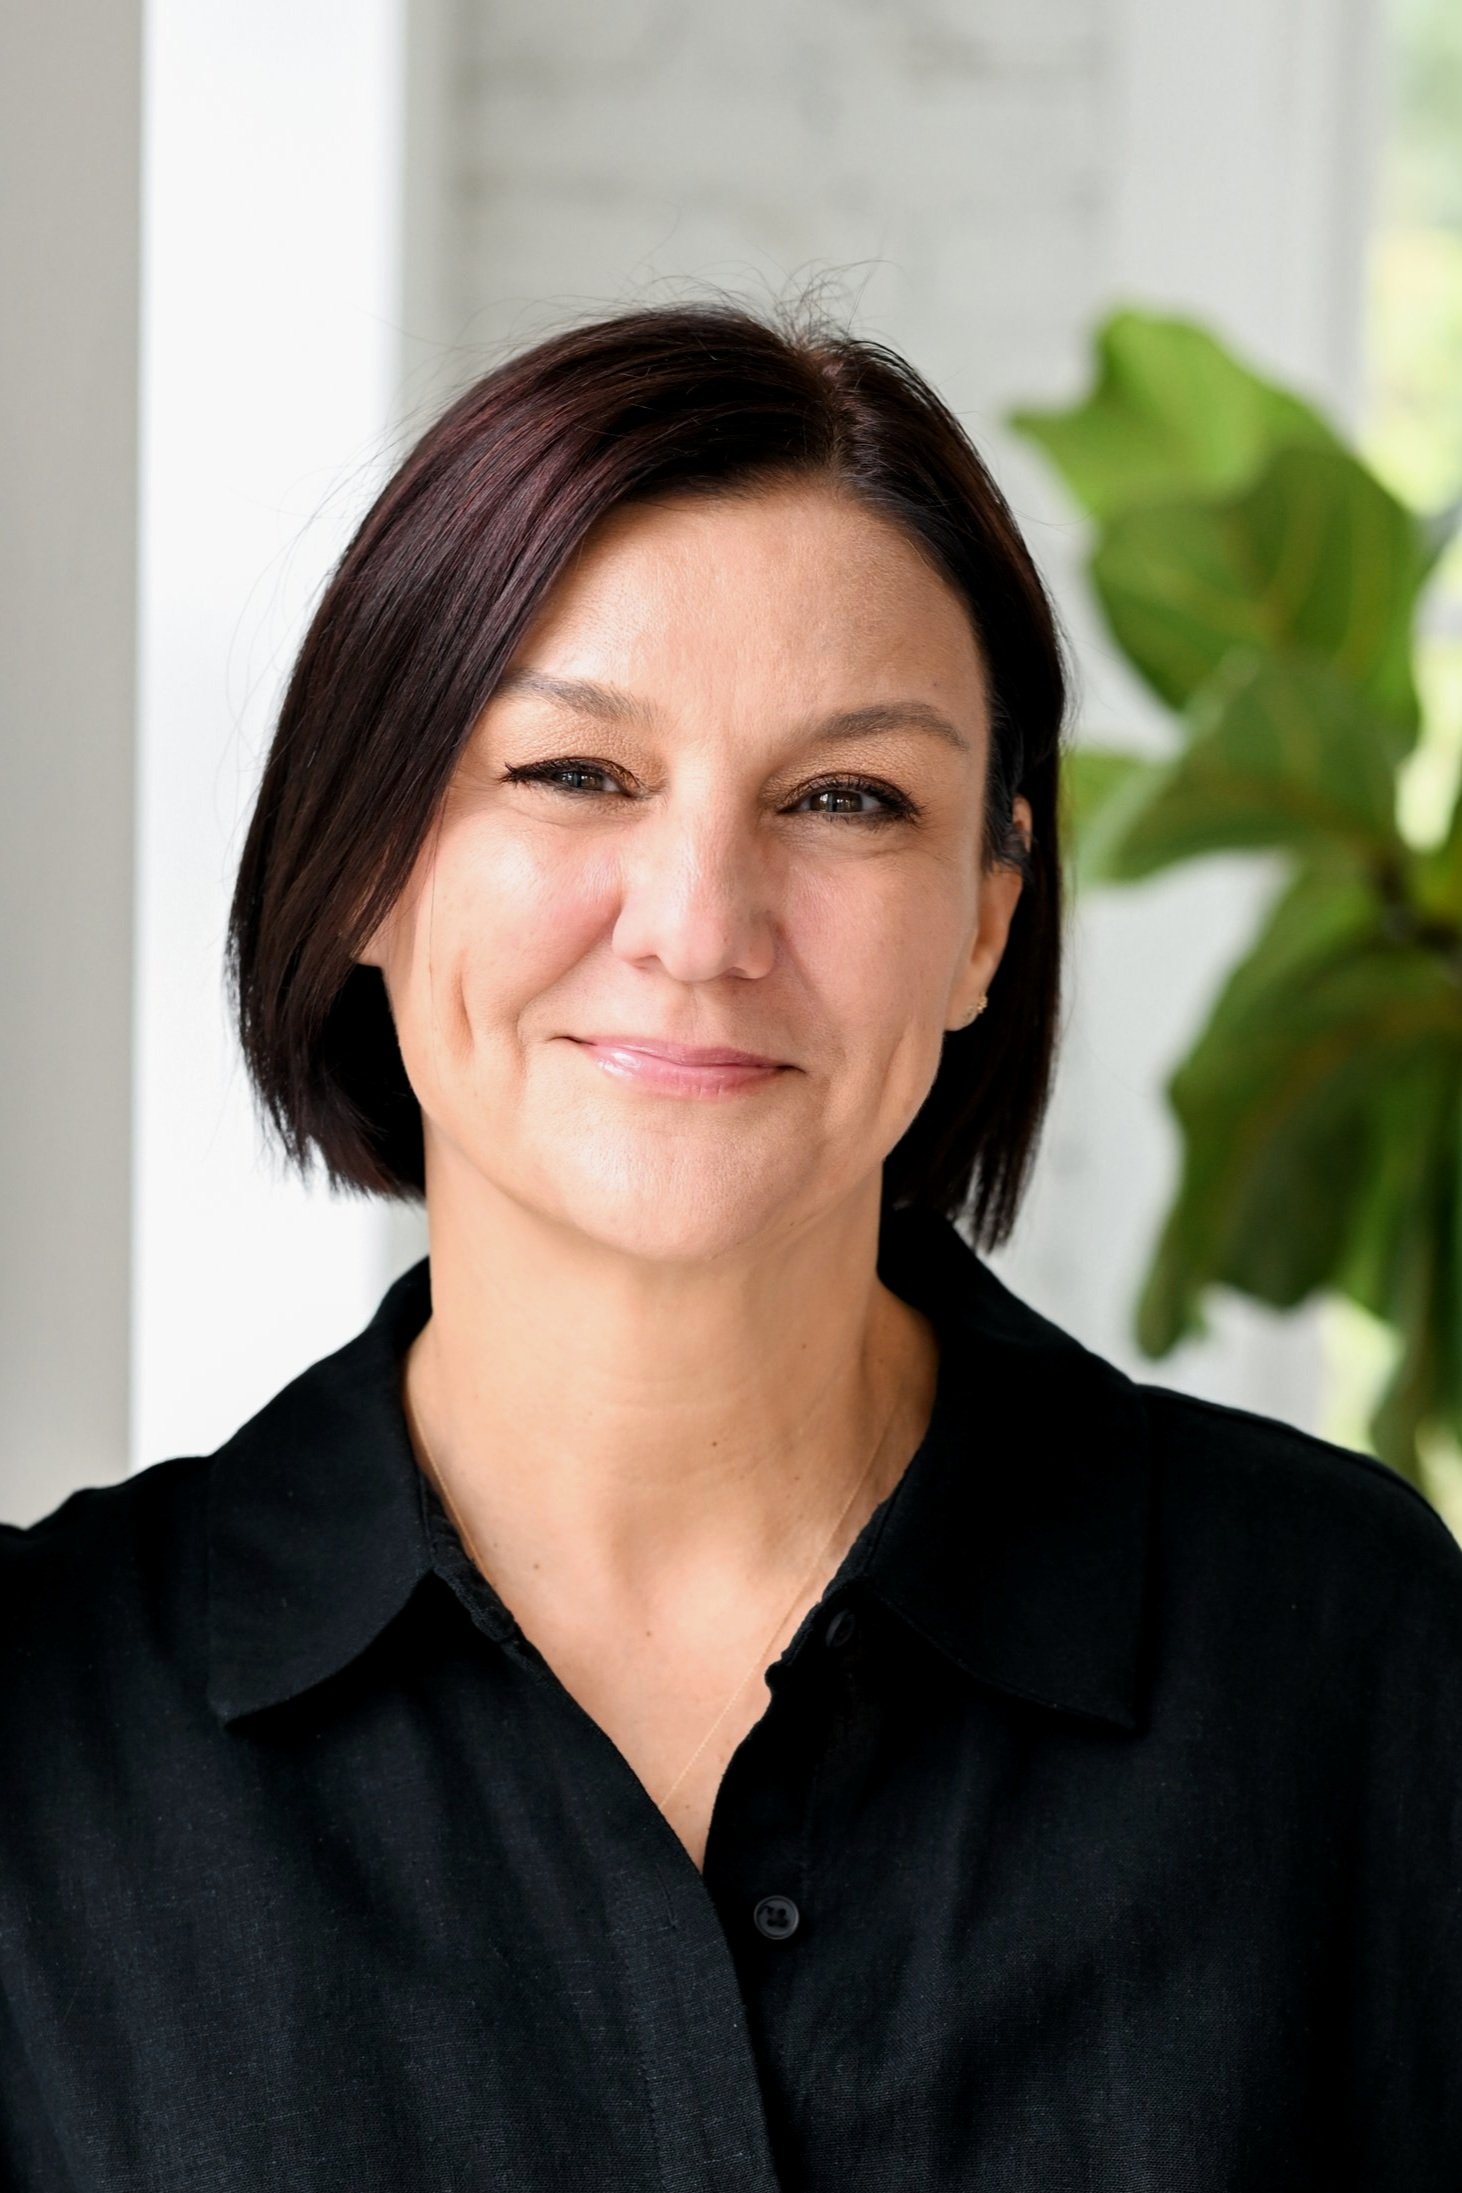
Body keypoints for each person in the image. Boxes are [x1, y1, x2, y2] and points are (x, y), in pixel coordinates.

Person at [3, 298, 1460, 2192]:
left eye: (847, 798)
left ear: (983, 920)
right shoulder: (39, 1724)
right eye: (574, 774)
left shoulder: (1347, 1658)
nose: (699, 924)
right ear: (365, 857)